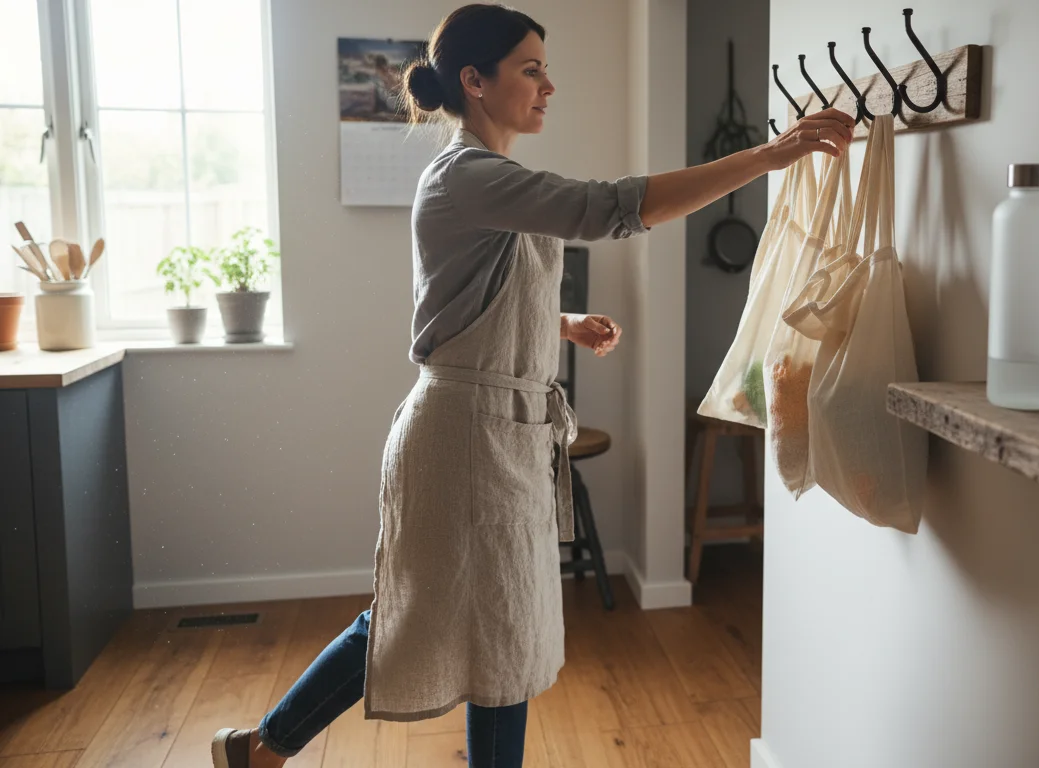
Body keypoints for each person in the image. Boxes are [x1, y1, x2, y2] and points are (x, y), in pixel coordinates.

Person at [211, 4, 853, 767]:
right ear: (476, 82)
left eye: (546, 68)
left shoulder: (492, 181)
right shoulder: (467, 175)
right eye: (531, 69)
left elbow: (470, 299)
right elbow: (607, 208)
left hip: (503, 432)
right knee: (414, 614)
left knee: (502, 631)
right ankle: (262, 749)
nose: (550, 84)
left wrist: (564, 321)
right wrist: (764, 159)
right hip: (463, 436)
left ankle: (260, 750)